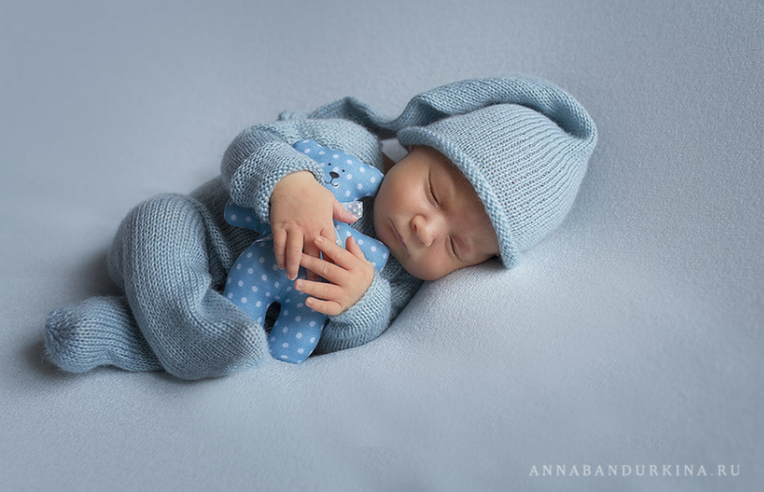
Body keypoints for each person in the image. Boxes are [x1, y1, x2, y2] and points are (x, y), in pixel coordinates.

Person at [43, 75, 597, 380]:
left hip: (247, 319)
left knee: (236, 333)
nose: (426, 231)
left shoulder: (397, 278)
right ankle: (187, 335)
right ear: (415, 147)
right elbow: (249, 143)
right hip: (198, 235)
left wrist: (358, 302)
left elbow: (347, 340)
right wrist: (290, 183)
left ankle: (143, 332)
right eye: (434, 194)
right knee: (157, 218)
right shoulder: (350, 145)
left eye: (457, 246)